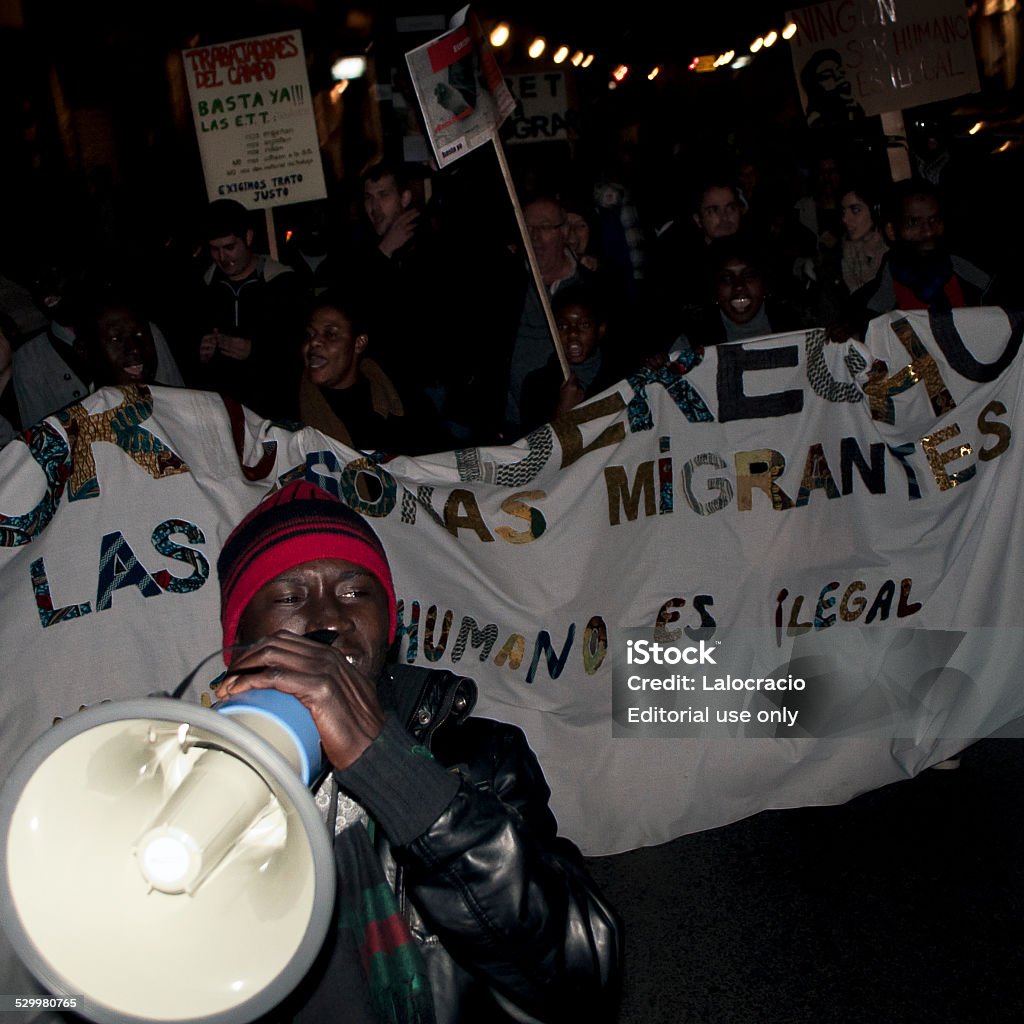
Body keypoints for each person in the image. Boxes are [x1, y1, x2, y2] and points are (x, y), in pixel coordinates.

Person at [211, 480, 622, 1023]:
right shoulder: (184, 769)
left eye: (356, 592)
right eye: (289, 597)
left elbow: (581, 973)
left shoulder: (480, 759)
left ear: (388, 627)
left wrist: (397, 775)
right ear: (238, 640)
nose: (329, 620)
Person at [195, 198, 306, 421]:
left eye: (229, 247)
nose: (223, 258)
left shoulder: (283, 284)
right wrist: (201, 353)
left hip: (276, 412)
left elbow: (299, 352)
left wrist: (255, 352)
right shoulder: (204, 287)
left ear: (248, 237)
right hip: (225, 415)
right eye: (215, 250)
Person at [297, 292, 444, 456]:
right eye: (310, 334)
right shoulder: (285, 408)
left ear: (359, 343)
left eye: (330, 334)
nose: (314, 342)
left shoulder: (400, 401)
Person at [852, 180, 997, 330]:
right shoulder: (872, 301)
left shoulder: (972, 276)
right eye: (913, 223)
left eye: (934, 220)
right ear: (891, 230)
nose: (928, 231)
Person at [519, 283, 627, 432]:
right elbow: (533, 449)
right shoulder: (537, 385)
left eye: (584, 325)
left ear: (600, 329)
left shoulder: (622, 377)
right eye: (563, 326)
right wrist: (563, 413)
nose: (573, 333)